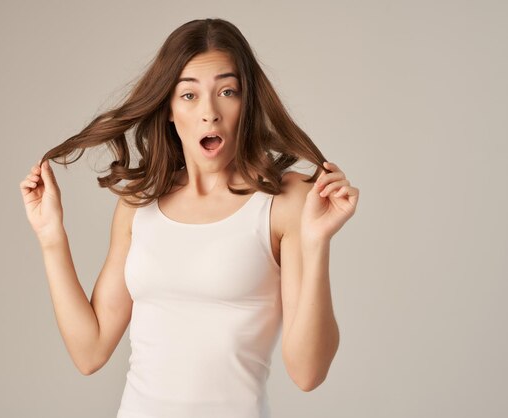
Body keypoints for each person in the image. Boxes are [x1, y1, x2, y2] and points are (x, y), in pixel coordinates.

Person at [19, 18, 359, 418]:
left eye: (227, 92)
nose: (209, 113)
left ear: (247, 103)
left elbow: (308, 373)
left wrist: (318, 242)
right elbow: (89, 350)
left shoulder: (285, 201)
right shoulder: (140, 203)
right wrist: (50, 236)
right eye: (189, 96)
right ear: (168, 108)